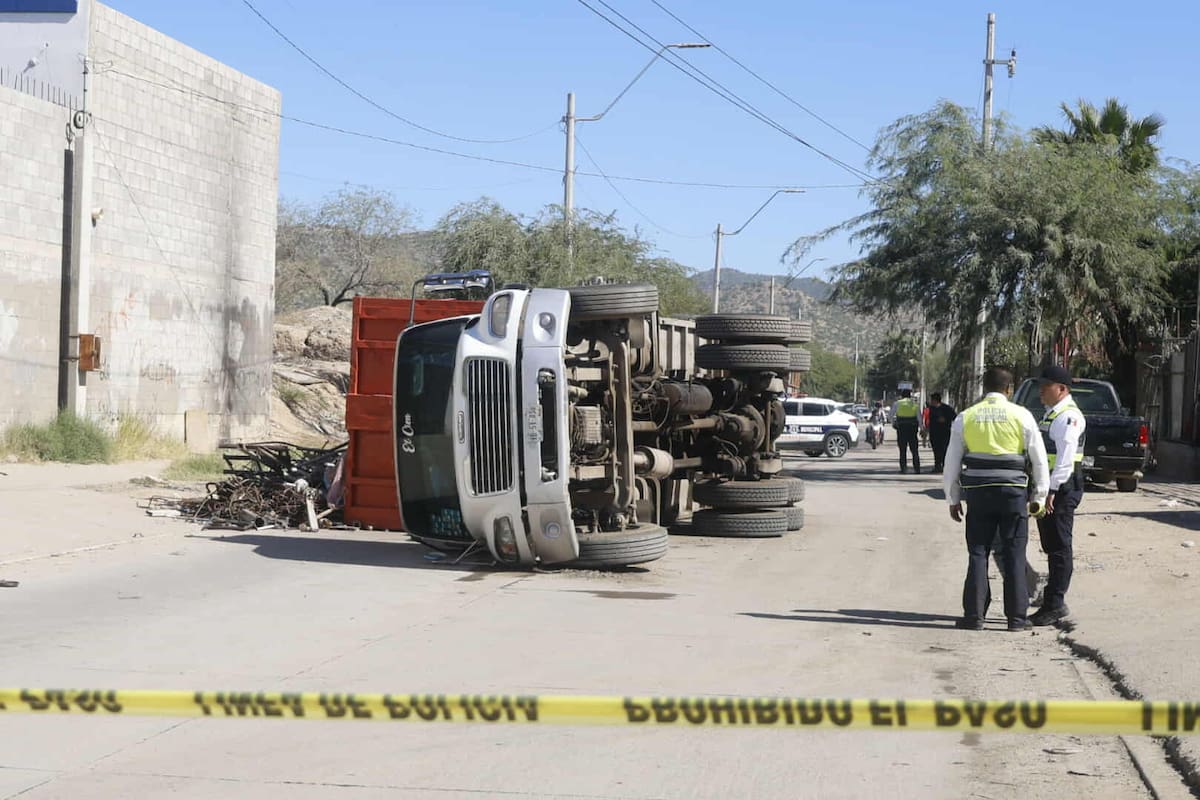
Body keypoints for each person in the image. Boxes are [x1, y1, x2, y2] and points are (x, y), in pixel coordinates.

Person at [943, 367, 1049, 631]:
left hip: (979, 495)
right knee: (1014, 552)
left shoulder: (967, 417)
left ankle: (974, 616)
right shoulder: (1022, 416)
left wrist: (953, 498)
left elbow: (951, 463)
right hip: (1013, 494)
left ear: (984, 388)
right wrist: (1039, 495)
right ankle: (1016, 619)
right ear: (1009, 389)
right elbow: (1039, 460)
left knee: (978, 552)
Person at [1030, 364, 1087, 626]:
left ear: (1062, 389)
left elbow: (1065, 458)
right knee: (1051, 544)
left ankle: (1055, 604)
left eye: (1046, 386)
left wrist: (1052, 489)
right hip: (1051, 486)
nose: (1041, 391)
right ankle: (1051, 598)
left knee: (1060, 546)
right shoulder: (1052, 414)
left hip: (1061, 488)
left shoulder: (1068, 417)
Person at [891, 389, 923, 474]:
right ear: (910, 395)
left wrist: (894, 424)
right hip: (912, 430)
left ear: (902, 396)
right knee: (914, 450)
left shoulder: (897, 403)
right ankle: (917, 468)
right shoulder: (915, 404)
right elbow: (919, 418)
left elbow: (890, 415)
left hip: (901, 429)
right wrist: (922, 429)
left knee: (902, 450)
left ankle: (903, 468)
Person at [927, 393, 957, 473]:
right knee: (936, 450)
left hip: (944, 433)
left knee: (944, 450)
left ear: (935, 400)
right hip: (934, 433)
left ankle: (945, 466)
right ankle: (937, 466)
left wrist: (946, 420)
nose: (931, 401)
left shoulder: (946, 408)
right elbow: (930, 421)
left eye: (932, 400)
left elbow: (954, 417)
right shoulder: (931, 409)